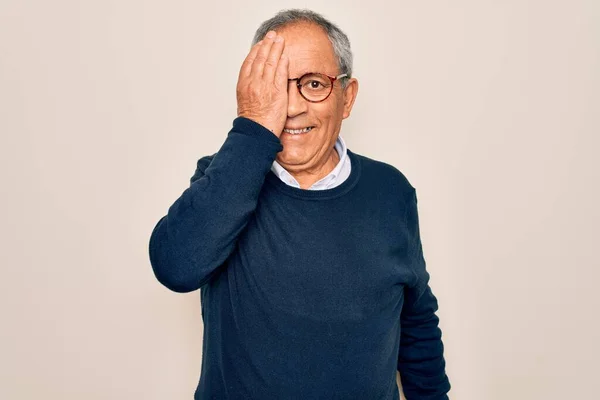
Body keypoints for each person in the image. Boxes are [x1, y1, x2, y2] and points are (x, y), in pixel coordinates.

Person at [149, 8, 451, 400]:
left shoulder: (391, 191)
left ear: (347, 97)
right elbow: (176, 266)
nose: (291, 107)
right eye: (275, 85)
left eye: (312, 84)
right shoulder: (224, 180)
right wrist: (253, 129)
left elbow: (416, 321)